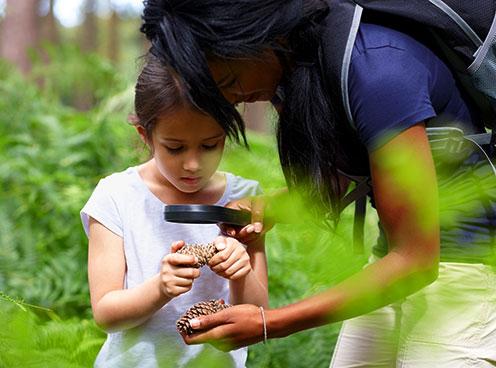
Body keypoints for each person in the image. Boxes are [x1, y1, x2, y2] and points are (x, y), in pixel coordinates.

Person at [139, 1, 496, 367]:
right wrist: (270, 208)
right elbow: (342, 178)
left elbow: (417, 259)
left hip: (465, 274)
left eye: (230, 82)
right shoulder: (298, 69)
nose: (232, 99)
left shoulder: (376, 69)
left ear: (260, 38)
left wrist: (268, 323)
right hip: (391, 257)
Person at [80, 53, 268, 368]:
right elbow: (105, 313)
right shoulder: (116, 196)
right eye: (175, 148)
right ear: (146, 136)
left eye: (210, 145)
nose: (193, 164)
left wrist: (241, 272)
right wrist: (160, 287)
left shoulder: (244, 198)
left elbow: (258, 316)